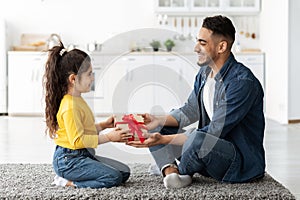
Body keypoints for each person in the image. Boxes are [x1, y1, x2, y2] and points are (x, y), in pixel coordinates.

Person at [127, 15, 265, 189]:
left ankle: (177, 169)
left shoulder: (242, 83)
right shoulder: (204, 73)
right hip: (208, 153)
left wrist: (163, 140)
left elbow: (214, 132)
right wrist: (158, 121)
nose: (195, 48)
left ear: (221, 46)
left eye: (203, 43)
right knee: (156, 125)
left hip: (237, 164)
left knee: (198, 138)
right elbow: (190, 110)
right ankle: (171, 171)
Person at [43, 41, 132, 188]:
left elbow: (84, 129)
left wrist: (104, 125)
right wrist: (109, 137)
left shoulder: (77, 99)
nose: (92, 78)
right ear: (73, 79)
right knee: (113, 178)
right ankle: (68, 182)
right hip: (69, 160)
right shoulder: (70, 107)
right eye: (89, 74)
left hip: (82, 155)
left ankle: (84, 173)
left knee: (124, 172)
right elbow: (78, 141)